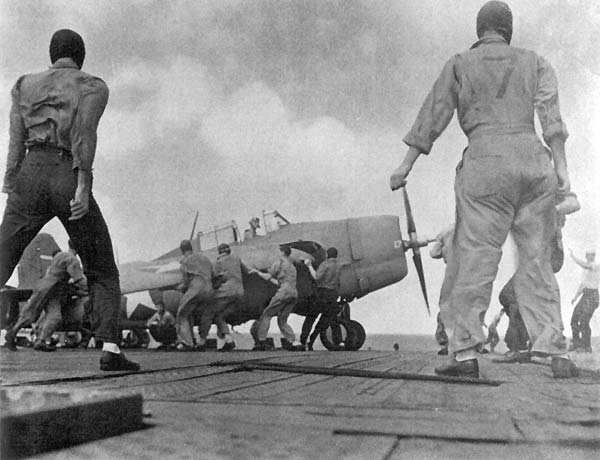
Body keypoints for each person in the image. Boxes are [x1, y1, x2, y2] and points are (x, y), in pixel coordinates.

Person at [389, 2, 577, 378]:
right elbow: (551, 116)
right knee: (536, 261)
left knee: (475, 260)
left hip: (485, 162)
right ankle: (557, 352)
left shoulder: (460, 63)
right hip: (533, 161)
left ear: (480, 30)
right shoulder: (535, 61)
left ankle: (465, 355)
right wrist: (561, 168)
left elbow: (434, 114)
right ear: (509, 30)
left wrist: (405, 165)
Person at [0, 30, 138, 371]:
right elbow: (84, 133)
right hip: (66, 171)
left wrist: (11, 185)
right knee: (102, 267)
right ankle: (110, 350)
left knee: (2, 256)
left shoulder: (22, 85)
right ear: (81, 56)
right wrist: (82, 183)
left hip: (29, 174)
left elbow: (15, 140)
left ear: (52, 55)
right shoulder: (91, 85)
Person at [4, 241, 87, 352]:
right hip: (49, 289)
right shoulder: (71, 259)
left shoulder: (59, 256)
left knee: (54, 316)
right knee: (30, 314)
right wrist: (90, 287)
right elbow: (78, 279)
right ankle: (12, 333)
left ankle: (41, 341)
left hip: (51, 291)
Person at [250, 245, 303, 351]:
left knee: (266, 314)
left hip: (283, 292)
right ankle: (295, 342)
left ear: (282, 252)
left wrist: (257, 272)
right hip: (293, 293)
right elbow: (281, 282)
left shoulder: (279, 262)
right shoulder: (292, 266)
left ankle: (261, 341)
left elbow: (268, 276)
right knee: (282, 319)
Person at [210, 243, 251, 351]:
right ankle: (225, 342)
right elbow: (247, 271)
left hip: (226, 292)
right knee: (222, 316)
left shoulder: (217, 262)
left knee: (214, 313)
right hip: (240, 292)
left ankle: (228, 339)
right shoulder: (237, 258)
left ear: (220, 252)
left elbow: (214, 277)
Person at [175, 239, 214, 351]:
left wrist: (179, 288)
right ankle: (202, 341)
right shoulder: (205, 258)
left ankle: (188, 343)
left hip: (196, 288)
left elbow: (186, 283)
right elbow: (213, 274)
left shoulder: (184, 262)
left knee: (182, 314)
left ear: (182, 251)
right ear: (191, 248)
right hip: (209, 288)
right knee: (206, 314)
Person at [300, 247, 341, 351]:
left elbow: (316, 277)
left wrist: (309, 266)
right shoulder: (338, 266)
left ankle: (303, 341)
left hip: (322, 294)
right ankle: (311, 341)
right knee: (323, 322)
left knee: (311, 318)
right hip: (332, 296)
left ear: (327, 254)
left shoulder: (325, 264)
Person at [569, 249, 600, 353]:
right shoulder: (586, 270)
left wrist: (573, 257)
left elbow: (585, 265)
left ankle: (587, 347)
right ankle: (577, 344)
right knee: (574, 319)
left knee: (584, 321)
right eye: (588, 255)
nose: (590, 257)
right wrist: (575, 297)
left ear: (594, 256)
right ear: (586, 256)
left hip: (593, 296)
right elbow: (583, 284)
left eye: (592, 255)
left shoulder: (596, 266)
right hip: (585, 295)